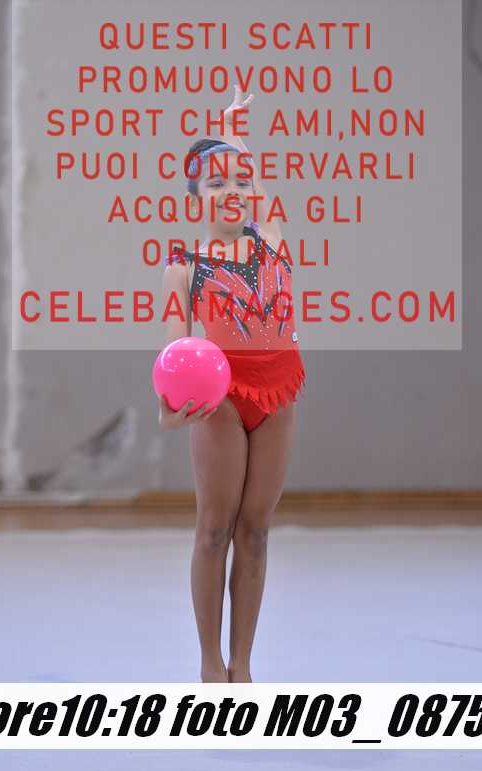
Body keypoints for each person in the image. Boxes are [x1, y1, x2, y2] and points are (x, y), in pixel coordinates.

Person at [158, 86, 306, 683]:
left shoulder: (273, 236)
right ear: (196, 197)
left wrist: (232, 130)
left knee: (256, 530)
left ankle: (242, 664)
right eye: (216, 184)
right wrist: (171, 406)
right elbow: (175, 352)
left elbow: (252, 178)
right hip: (220, 399)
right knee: (215, 528)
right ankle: (209, 662)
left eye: (241, 183)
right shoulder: (184, 266)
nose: (234, 192)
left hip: (278, 391)